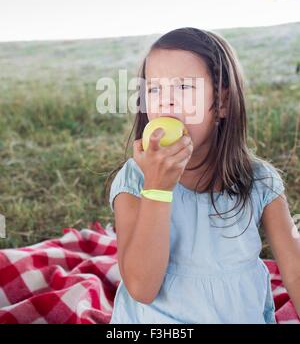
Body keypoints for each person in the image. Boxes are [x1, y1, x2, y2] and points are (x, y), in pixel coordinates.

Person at [106, 27, 300, 324]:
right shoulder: (136, 179)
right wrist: (157, 189)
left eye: (183, 88)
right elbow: (141, 288)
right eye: (155, 89)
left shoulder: (260, 181)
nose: (165, 102)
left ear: (221, 103)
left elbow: (295, 271)